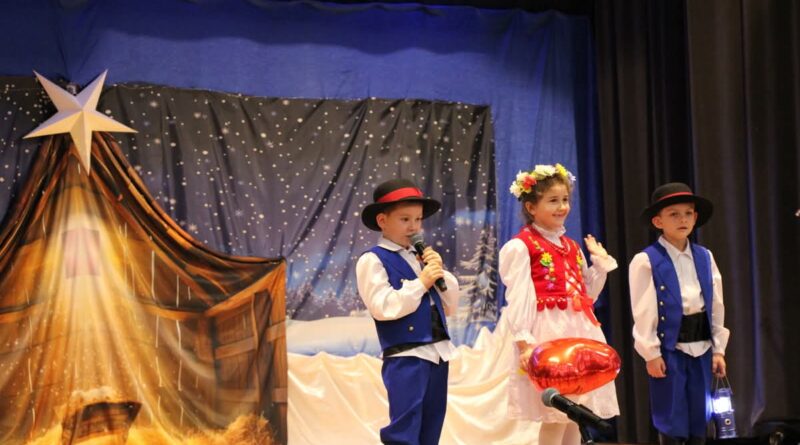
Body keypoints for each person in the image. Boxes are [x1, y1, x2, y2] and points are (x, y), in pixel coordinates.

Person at [499, 164, 620, 445]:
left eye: (565, 199)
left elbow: (587, 295)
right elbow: (519, 296)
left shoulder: (572, 246)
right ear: (531, 207)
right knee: (556, 413)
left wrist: (599, 265)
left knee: (576, 415)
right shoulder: (522, 246)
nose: (562, 207)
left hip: (578, 331)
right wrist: (524, 342)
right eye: (553, 200)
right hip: (548, 333)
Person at [355, 178, 460, 445]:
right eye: (405, 219)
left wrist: (439, 271)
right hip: (406, 355)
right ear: (382, 221)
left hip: (438, 352)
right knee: (404, 428)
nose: (414, 227)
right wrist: (421, 282)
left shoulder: (420, 257)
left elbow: (450, 305)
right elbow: (383, 307)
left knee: (432, 423)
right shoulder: (373, 259)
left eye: (418, 219)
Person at [629, 182, 730, 445]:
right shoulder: (646, 260)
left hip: (702, 347)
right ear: (658, 221)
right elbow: (643, 310)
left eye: (687, 213)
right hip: (670, 350)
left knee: (700, 414)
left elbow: (715, 305)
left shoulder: (705, 256)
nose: (682, 219)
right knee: (671, 415)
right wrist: (651, 353)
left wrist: (718, 349)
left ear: (695, 218)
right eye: (673, 214)